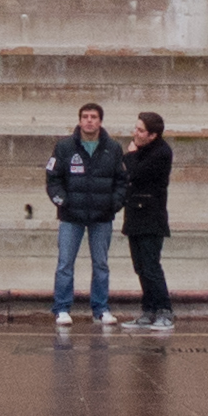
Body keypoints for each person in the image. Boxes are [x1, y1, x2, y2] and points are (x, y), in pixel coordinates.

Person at [44, 99, 127, 329]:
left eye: (93, 117)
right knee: (65, 264)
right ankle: (61, 308)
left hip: (102, 217)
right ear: (79, 120)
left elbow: (122, 181)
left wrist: (114, 204)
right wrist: (63, 202)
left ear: (100, 121)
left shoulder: (113, 148)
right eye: (85, 117)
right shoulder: (64, 148)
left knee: (101, 264)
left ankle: (100, 309)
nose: (89, 121)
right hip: (71, 217)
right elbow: (53, 180)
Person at [123, 111, 176, 334]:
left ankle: (164, 311)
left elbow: (135, 174)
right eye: (136, 128)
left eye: (140, 130)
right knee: (140, 266)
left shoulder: (161, 153)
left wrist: (130, 155)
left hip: (151, 218)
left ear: (152, 135)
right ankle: (148, 310)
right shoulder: (143, 150)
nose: (135, 133)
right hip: (135, 216)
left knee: (152, 266)